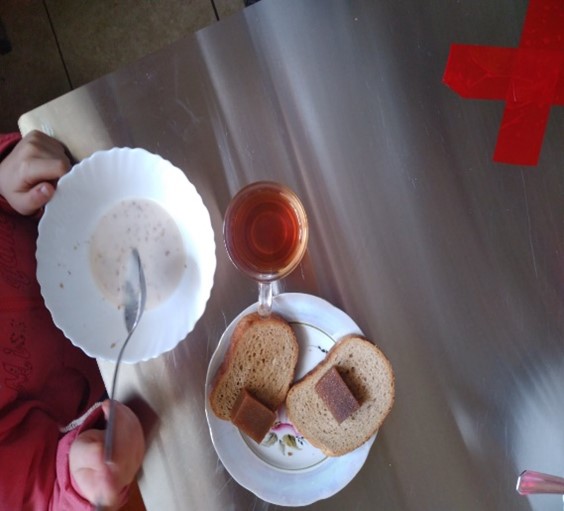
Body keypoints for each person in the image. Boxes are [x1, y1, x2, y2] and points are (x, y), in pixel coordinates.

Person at [0, 130, 145, 510]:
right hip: (119, 381)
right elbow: (47, 496)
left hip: (71, 215)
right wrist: (80, 483)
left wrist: (4, 176)